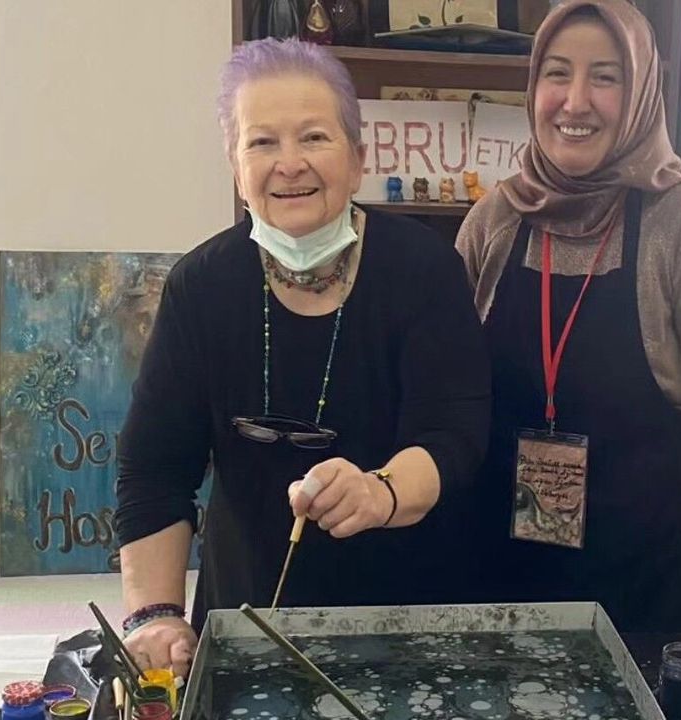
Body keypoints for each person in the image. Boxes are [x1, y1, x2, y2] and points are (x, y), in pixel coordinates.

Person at [113, 37, 490, 676]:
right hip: (246, 621)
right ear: (236, 166)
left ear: (358, 158)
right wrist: (154, 615)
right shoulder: (200, 287)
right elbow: (153, 468)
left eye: (314, 137)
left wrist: (379, 492)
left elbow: (455, 436)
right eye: (262, 142)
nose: (289, 164)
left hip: (407, 627)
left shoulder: (425, 270)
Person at [456, 0, 681, 633]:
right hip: (510, 577)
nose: (575, 101)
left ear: (640, 93)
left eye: (605, 77)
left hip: (660, 585)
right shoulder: (493, 222)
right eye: (557, 73)